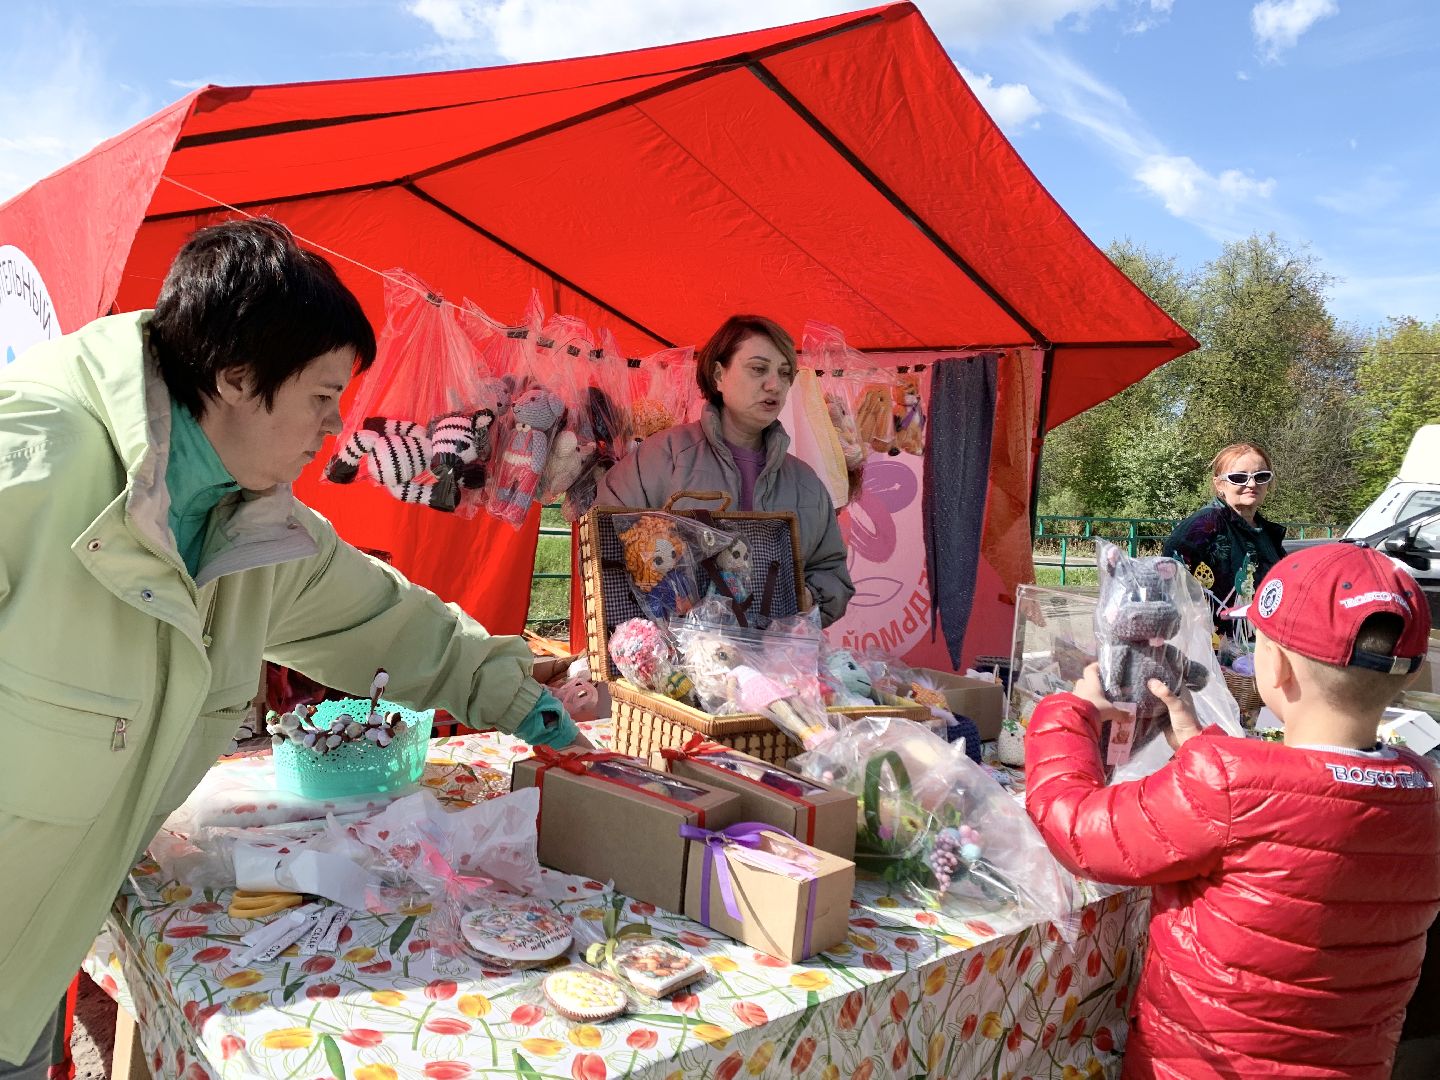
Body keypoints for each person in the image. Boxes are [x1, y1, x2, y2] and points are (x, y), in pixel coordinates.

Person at [0, 218, 584, 1073]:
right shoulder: (31, 461)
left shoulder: (255, 526)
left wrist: (517, 695)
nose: (336, 425)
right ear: (236, 376)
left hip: (24, 973)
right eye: (320, 395)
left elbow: (388, 621)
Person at [1025, 544, 1440, 1078]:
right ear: (1406, 675)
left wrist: (1069, 711)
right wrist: (1201, 747)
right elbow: (1306, 802)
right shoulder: (1422, 789)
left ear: (1277, 667)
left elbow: (1079, 829)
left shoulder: (1227, 786)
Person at [595, 314, 854, 625]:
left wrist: (806, 598)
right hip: (676, 665)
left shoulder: (806, 482)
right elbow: (604, 545)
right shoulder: (662, 456)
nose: (774, 384)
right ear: (719, 375)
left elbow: (832, 573)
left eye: (785, 373)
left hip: (777, 663)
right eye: (758, 369)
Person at [1163, 442, 1287, 626]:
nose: (1252, 484)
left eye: (1261, 476)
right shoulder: (1203, 525)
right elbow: (1168, 585)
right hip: (1214, 646)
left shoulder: (1266, 532)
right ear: (1219, 484)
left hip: (1261, 641)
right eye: (1239, 477)